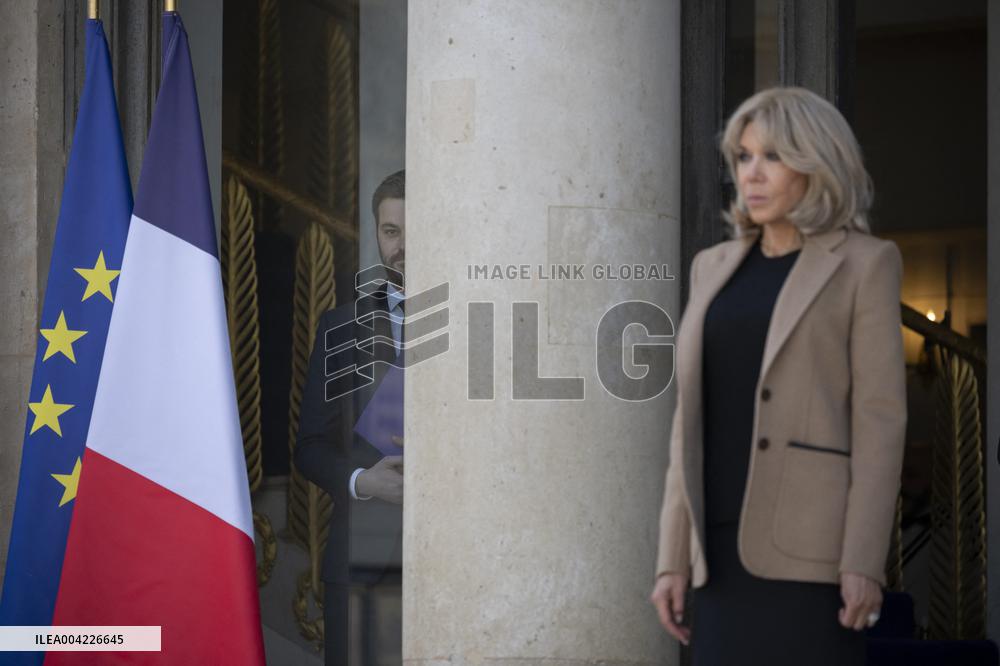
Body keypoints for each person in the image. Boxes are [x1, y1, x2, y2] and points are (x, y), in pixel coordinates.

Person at [649, 88, 906, 666]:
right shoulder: (710, 268)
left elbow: (880, 421)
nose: (752, 175)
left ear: (817, 163)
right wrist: (672, 558)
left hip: (811, 552)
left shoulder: (866, 263)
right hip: (715, 549)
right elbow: (687, 423)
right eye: (743, 157)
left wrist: (863, 559)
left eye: (773, 157)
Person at [295, 169, 406, 666]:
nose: (403, 245)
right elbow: (310, 447)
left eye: (416, 229)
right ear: (378, 236)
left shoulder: (476, 320)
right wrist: (364, 482)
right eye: (391, 231)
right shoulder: (340, 326)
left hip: (460, 559)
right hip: (360, 559)